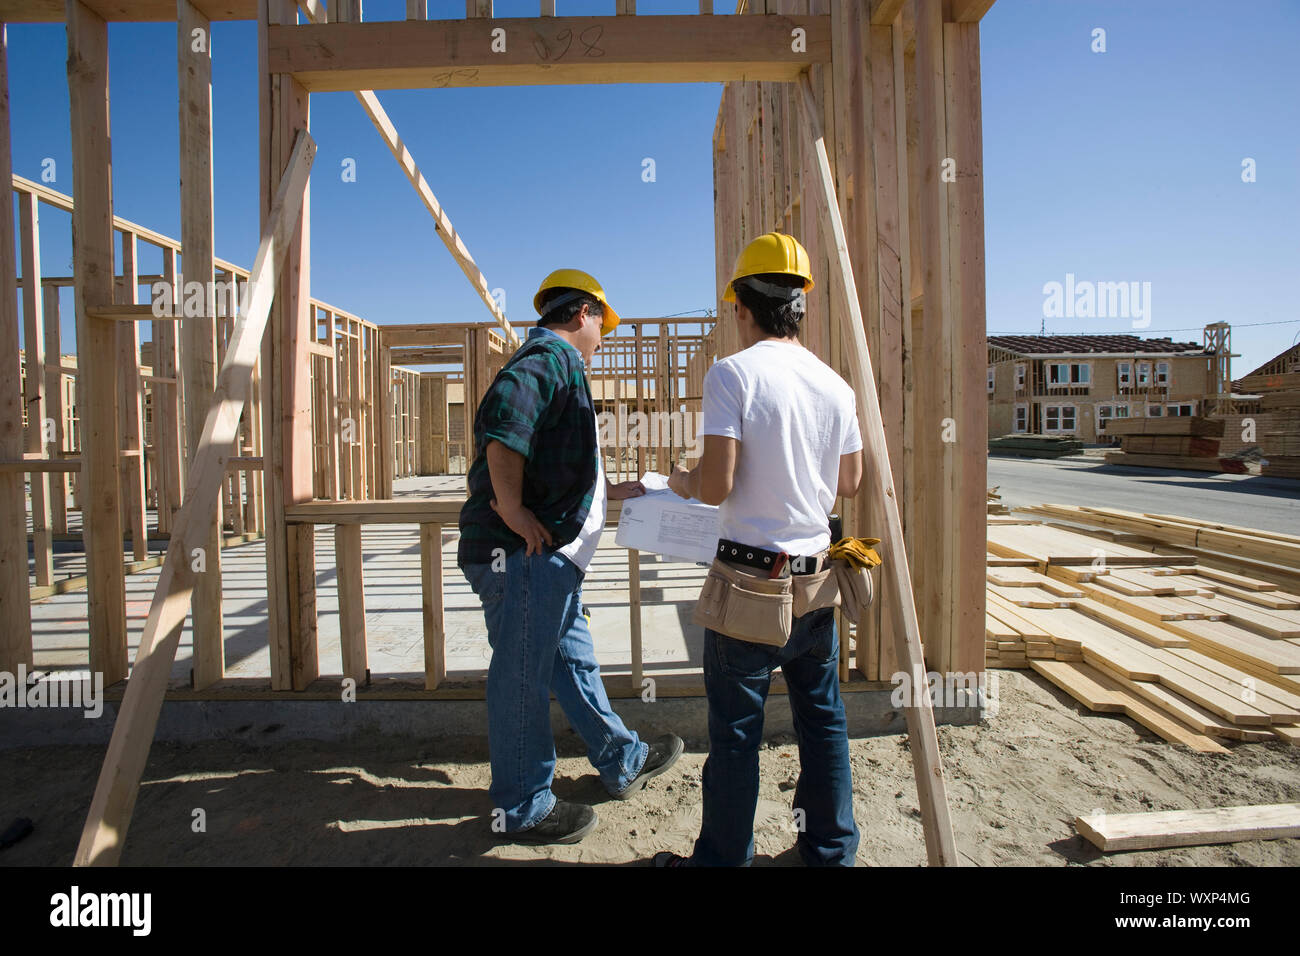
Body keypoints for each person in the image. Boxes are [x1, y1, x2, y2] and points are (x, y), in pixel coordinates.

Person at [658, 233, 864, 867]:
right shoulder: (835, 386)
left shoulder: (732, 375)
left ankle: (724, 859)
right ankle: (829, 850)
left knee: (737, 737)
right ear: (799, 303)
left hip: (748, 590)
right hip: (814, 589)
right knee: (823, 722)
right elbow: (849, 483)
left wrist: (680, 480)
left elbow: (716, 483)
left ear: (742, 306)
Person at [458, 268, 683, 845]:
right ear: (581, 313)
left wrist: (614, 491)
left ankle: (620, 756)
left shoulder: (563, 366)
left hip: (548, 564)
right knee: (523, 677)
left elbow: (554, 463)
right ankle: (523, 806)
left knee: (569, 663)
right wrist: (511, 510)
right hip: (524, 557)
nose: (604, 336)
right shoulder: (549, 357)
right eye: (602, 324)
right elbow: (507, 424)